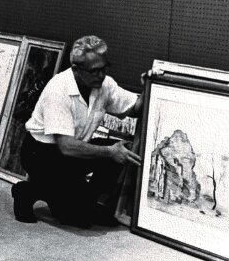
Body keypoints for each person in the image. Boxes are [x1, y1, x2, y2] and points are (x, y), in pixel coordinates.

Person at [11, 35, 144, 227]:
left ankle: (86, 201)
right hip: (41, 155)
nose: (101, 75)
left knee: (122, 150)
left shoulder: (104, 84)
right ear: (75, 69)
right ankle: (27, 191)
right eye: (94, 71)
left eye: (104, 68)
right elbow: (66, 147)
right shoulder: (59, 90)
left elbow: (136, 108)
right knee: (77, 218)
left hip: (73, 152)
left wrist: (149, 83)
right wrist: (110, 152)